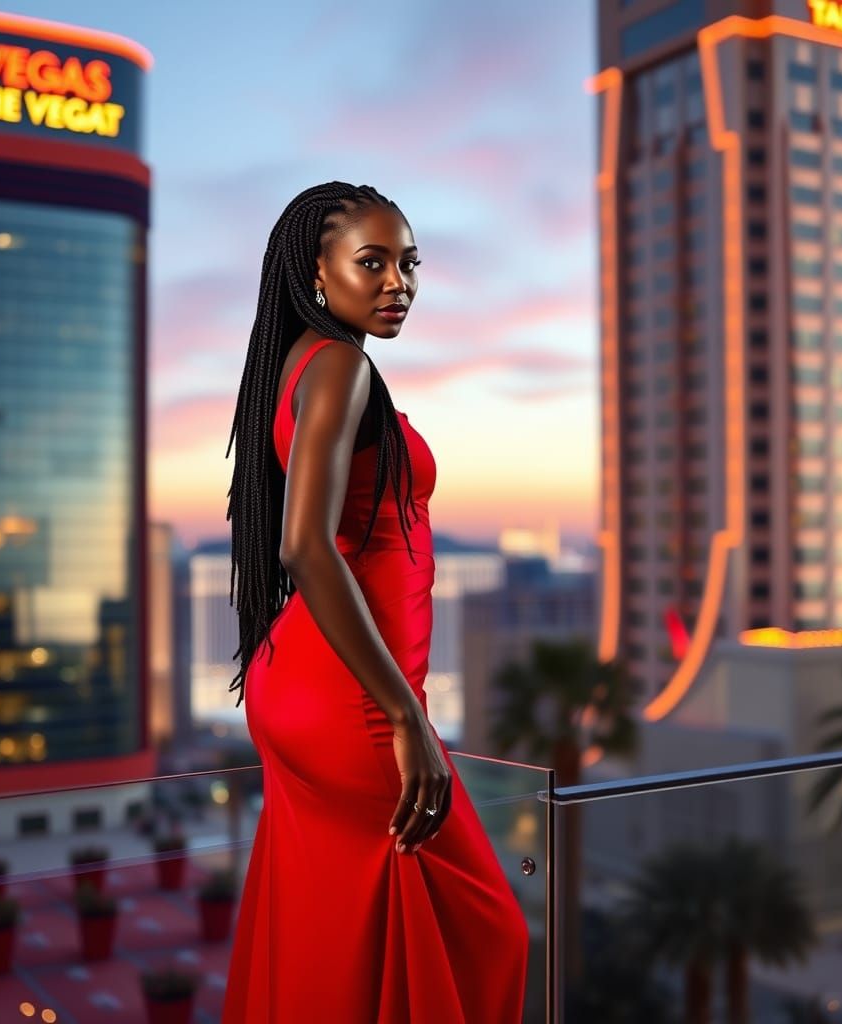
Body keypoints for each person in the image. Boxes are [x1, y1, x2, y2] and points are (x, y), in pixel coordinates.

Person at [220, 182, 530, 1022]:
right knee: (492, 929)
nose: (399, 282)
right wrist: (404, 715)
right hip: (353, 700)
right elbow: (304, 544)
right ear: (317, 273)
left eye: (409, 263)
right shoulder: (341, 366)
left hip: (309, 681)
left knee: (341, 927)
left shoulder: (305, 362)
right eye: (373, 261)